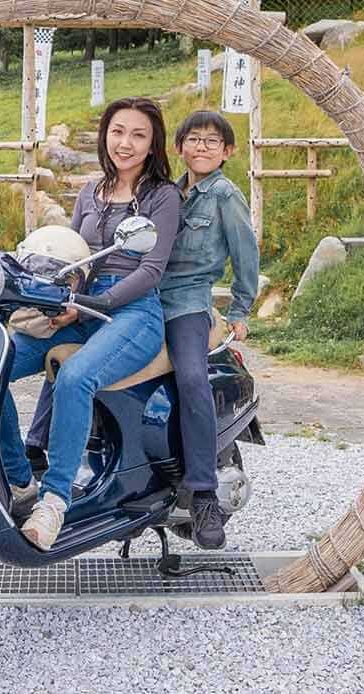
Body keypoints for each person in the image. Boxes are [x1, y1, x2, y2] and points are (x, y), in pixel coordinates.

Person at [0, 97, 180, 551]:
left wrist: (93, 301)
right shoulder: (90, 192)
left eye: (139, 134)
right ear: (106, 135)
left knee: (77, 377)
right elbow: (71, 258)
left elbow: (150, 271)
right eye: (118, 131)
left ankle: (55, 500)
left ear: (153, 141)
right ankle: (21, 480)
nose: (126, 143)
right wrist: (55, 297)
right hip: (80, 305)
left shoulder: (163, 196)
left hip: (134, 312)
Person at [159, 110, 259, 549]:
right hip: (143, 298)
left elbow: (246, 254)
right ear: (179, 147)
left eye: (212, 141)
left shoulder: (224, 195)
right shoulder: (165, 191)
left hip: (188, 304)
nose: (201, 147)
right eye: (193, 139)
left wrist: (239, 310)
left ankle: (202, 494)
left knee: (193, 380)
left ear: (228, 151)